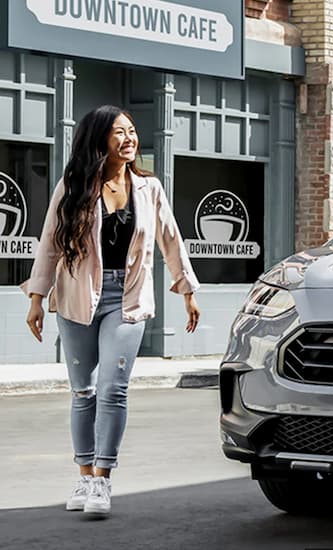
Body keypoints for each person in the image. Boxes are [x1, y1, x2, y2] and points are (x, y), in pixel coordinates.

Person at [22, 105, 201, 516]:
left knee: (113, 388)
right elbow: (50, 239)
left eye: (132, 131)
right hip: (77, 296)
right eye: (119, 132)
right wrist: (36, 297)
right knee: (83, 390)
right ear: (99, 137)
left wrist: (187, 289)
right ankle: (84, 477)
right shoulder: (74, 184)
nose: (129, 138)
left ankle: (103, 480)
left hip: (128, 297)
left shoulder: (148, 187)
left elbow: (170, 238)